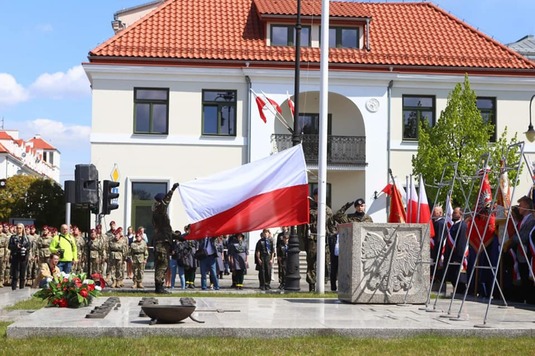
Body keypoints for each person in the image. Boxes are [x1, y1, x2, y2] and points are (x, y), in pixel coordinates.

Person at [152, 183, 181, 293]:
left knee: (161, 265)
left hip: (161, 242)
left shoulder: (158, 213)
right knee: (162, 265)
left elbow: (167, 230)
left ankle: (158, 287)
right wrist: (172, 190)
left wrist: (178, 236)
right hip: (162, 244)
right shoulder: (160, 211)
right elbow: (166, 202)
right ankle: (159, 287)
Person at [307, 188, 336, 292]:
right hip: (312, 239)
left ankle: (322, 285)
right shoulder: (309, 209)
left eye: (320, 195)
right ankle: (312, 286)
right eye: (316, 195)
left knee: (325, 262)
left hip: (324, 239)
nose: (318, 197)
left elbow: (331, 225)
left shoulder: (327, 210)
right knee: (311, 262)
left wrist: (333, 237)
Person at [511, 195, 535, 303]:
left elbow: (525, 236)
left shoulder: (531, 220)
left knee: (527, 277)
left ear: (526, 206)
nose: (519, 208)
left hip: (527, 253)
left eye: (520, 205)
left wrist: (513, 238)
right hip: (520, 253)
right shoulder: (523, 220)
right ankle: (524, 297)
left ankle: (529, 299)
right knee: (523, 278)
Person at [444, 207, 468, 293]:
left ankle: (461, 292)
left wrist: (459, 258)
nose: (453, 214)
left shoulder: (462, 225)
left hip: (456, 257)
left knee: (459, 278)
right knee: (452, 277)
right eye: (453, 212)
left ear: (461, 214)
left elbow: (461, 243)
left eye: (455, 213)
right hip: (451, 256)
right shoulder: (455, 225)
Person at [8, 223, 30, 290]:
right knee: (15, 275)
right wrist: (16, 246)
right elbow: (9, 246)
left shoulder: (26, 238)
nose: (18, 229)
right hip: (15, 256)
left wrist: (25, 249)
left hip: (23, 257)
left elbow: (29, 246)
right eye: (17, 228)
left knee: (22, 275)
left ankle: (22, 289)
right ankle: (14, 289)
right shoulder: (13, 237)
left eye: (20, 228)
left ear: (23, 229)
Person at [431, 206, 446, 281]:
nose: (433, 213)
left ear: (440, 213)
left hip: (437, 249)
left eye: (435, 212)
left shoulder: (440, 223)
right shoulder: (435, 222)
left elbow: (439, 239)